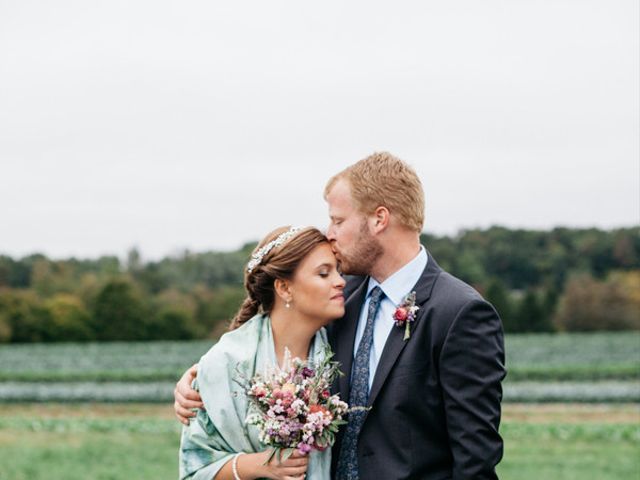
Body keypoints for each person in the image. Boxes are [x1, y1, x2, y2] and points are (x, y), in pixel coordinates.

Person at [176, 152, 506, 480]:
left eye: (338, 220)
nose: (329, 233)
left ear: (379, 219)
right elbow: (276, 351)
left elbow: (475, 461)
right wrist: (199, 380)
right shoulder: (338, 300)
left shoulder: (460, 313)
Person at [179, 225, 346, 480]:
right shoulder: (226, 364)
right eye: (324, 274)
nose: (341, 281)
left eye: (338, 271)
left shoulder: (344, 349)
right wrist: (261, 465)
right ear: (284, 289)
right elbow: (194, 470)